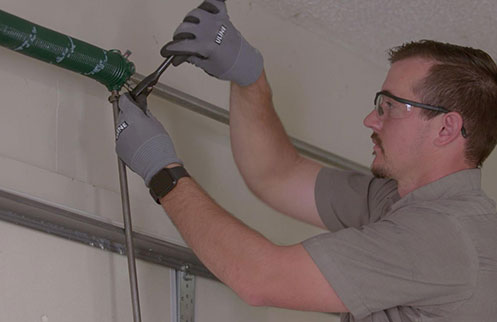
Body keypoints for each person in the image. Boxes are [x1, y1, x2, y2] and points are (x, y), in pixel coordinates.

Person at [115, 0, 497, 321]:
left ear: (446, 129)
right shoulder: (395, 201)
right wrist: (249, 79)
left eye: (390, 106)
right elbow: (276, 175)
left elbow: (261, 278)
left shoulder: (442, 237)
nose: (371, 119)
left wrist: (161, 171)